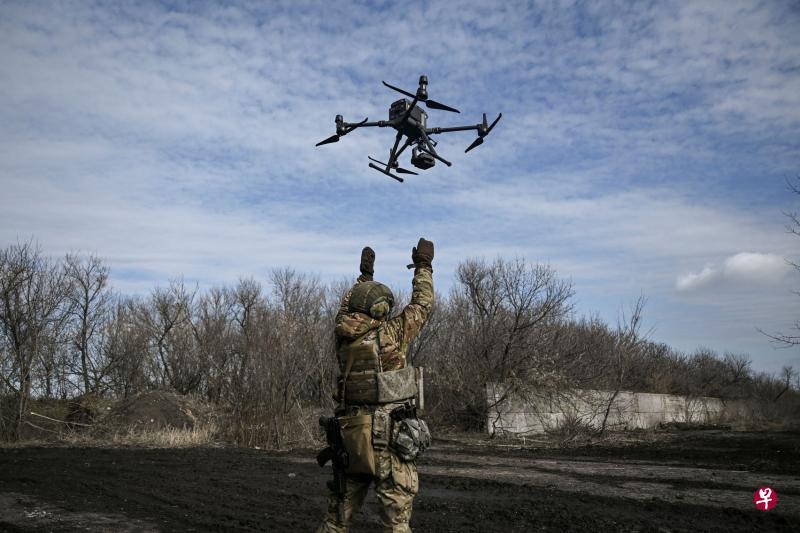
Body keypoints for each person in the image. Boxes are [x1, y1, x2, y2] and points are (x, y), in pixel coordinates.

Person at [317, 239, 434, 533]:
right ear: (381, 308)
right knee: (396, 525)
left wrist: (363, 278)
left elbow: (347, 307)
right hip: (388, 441)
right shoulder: (392, 333)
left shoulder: (342, 336)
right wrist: (423, 266)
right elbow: (423, 304)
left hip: (351, 439)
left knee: (335, 522)